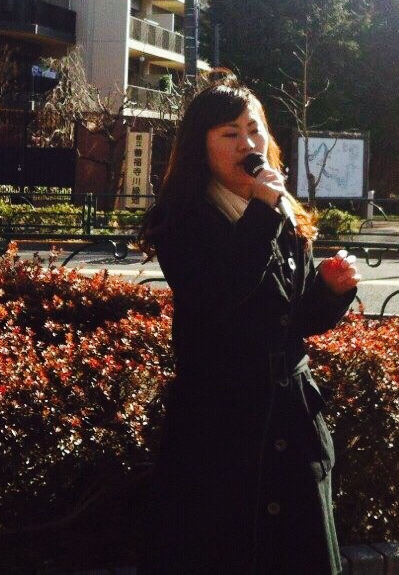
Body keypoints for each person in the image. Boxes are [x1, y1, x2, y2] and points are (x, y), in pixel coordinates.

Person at [138, 75, 361, 575]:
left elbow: (294, 321)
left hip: (292, 424)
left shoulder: (281, 212)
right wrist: (262, 213)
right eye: (229, 133)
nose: (247, 143)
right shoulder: (183, 218)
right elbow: (218, 296)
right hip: (219, 429)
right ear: (201, 148)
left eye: (254, 129)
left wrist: (331, 290)